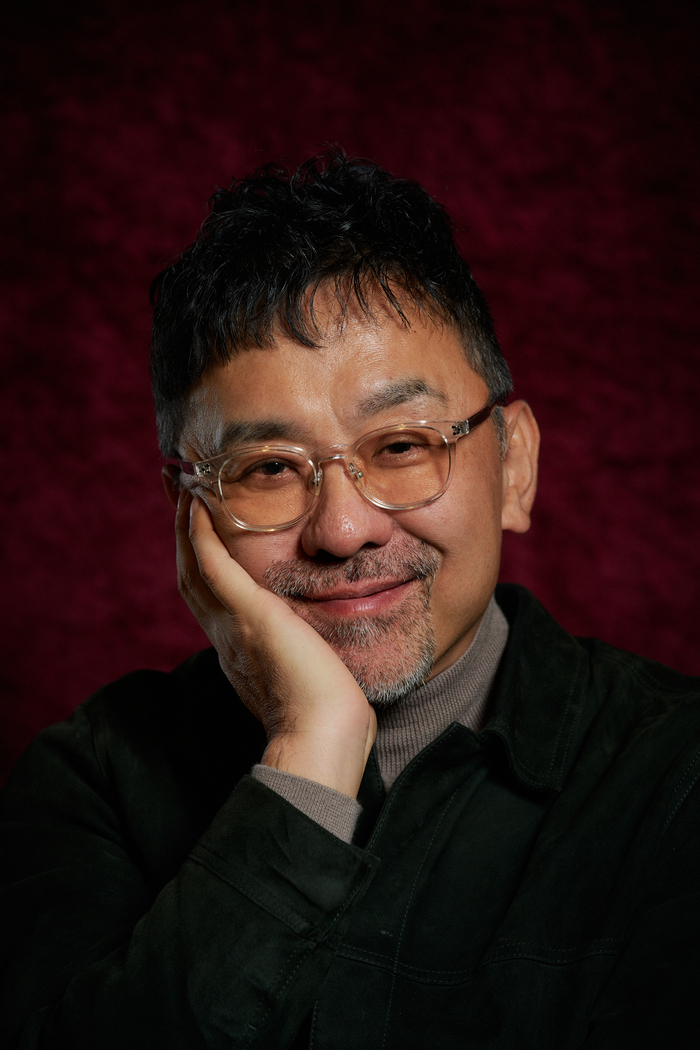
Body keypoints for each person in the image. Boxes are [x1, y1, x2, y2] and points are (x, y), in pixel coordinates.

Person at [1, 151, 699, 1050]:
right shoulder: (94, 781)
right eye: (267, 469)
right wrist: (310, 756)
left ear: (514, 465)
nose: (342, 529)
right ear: (189, 514)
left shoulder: (676, 776)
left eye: (402, 446)